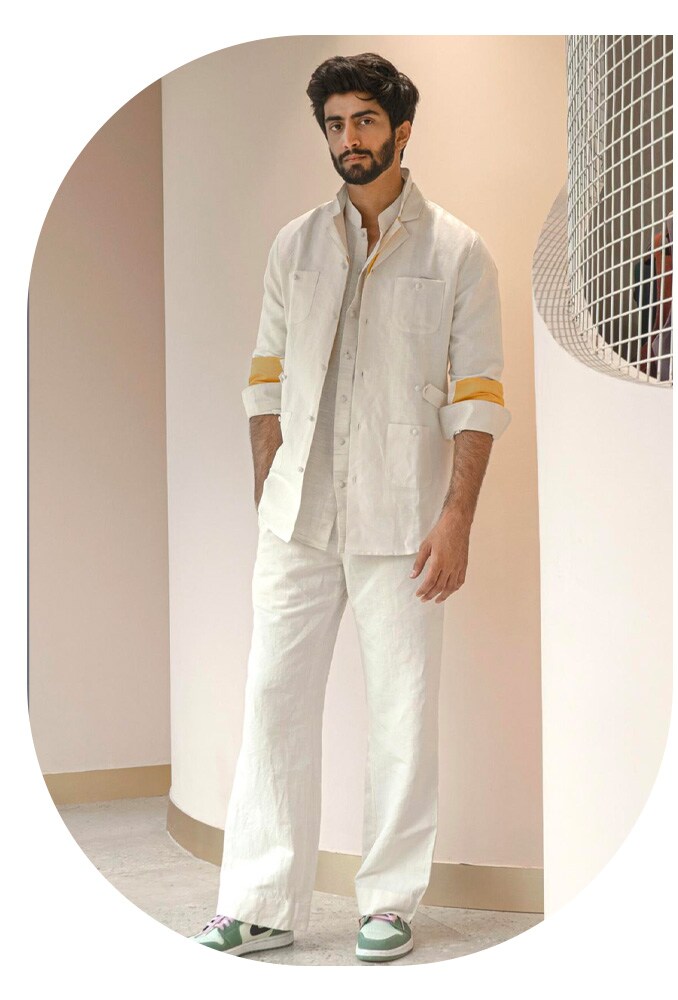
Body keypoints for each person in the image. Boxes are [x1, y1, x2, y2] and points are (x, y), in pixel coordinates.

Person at [191, 52, 511, 963]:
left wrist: (457, 518)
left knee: (402, 713)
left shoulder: (458, 252)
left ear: (401, 129)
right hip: (297, 518)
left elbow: (478, 395)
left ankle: (390, 901)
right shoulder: (293, 245)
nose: (348, 139)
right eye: (335, 124)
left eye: (365, 120)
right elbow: (264, 374)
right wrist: (268, 479)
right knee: (272, 702)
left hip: (403, 520)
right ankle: (260, 904)